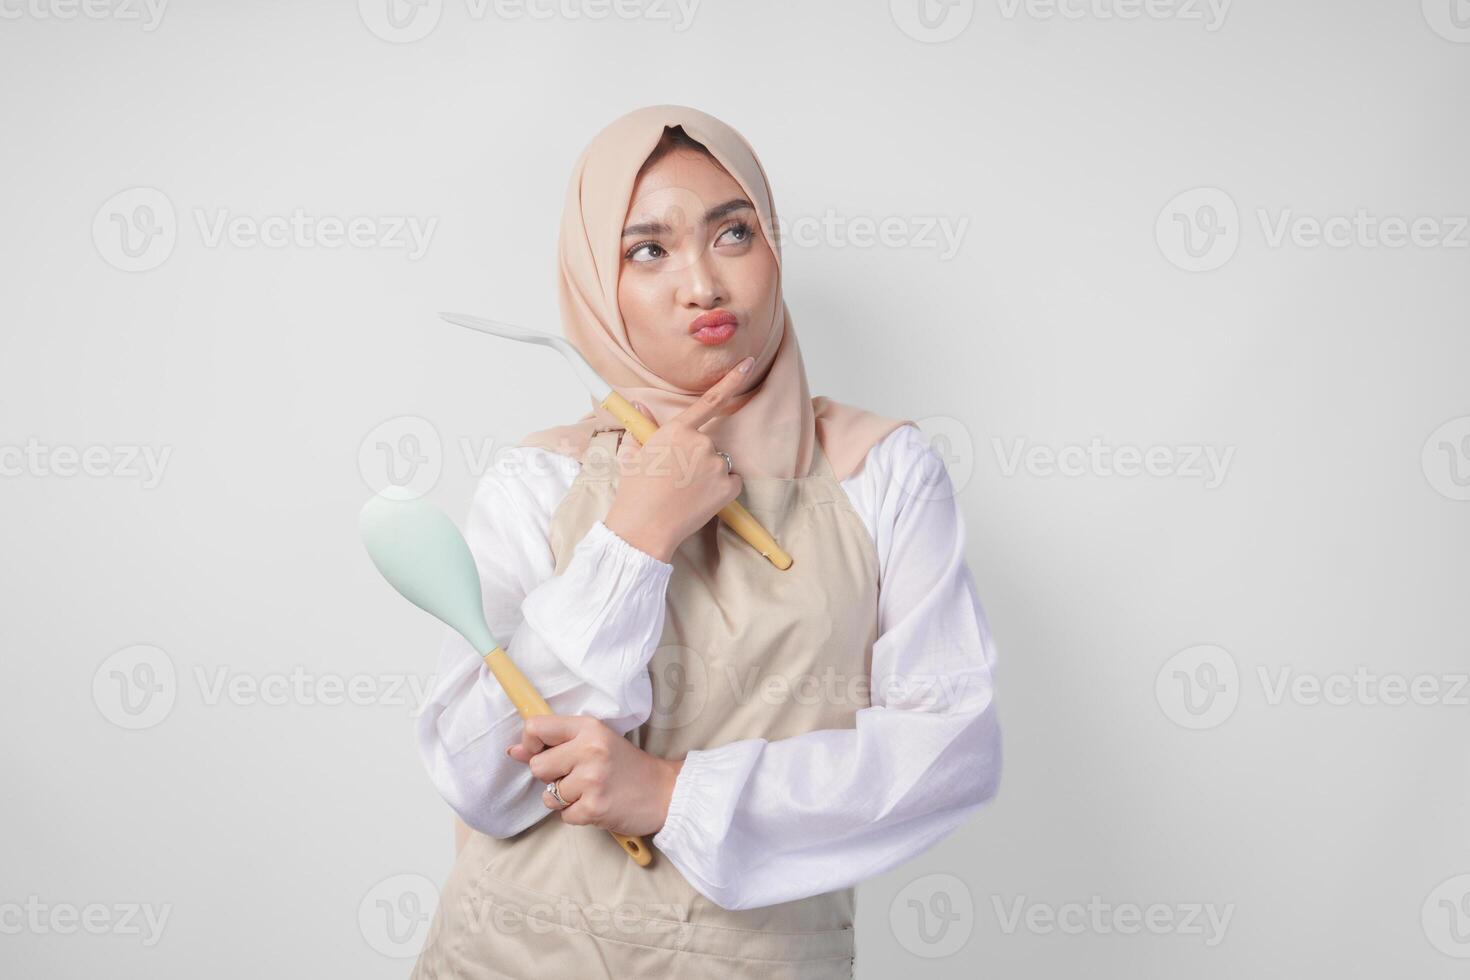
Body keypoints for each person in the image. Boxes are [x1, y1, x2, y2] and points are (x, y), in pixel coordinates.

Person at [410, 104, 1002, 979]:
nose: (703, 284)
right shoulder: (538, 482)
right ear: (593, 282)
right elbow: (479, 779)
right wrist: (634, 537)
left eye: (733, 233)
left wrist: (675, 794)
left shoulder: (882, 471)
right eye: (647, 249)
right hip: (508, 956)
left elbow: (950, 750)